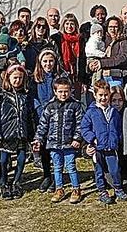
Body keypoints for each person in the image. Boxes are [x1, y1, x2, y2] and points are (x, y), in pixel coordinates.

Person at [0, 64, 37, 200]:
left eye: (20, 78)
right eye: (15, 78)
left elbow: (31, 115)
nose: (17, 81)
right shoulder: (1, 95)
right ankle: (3, 182)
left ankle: (17, 181)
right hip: (6, 133)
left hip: (21, 132)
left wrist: (33, 135)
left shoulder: (26, 95)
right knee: (4, 160)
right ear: (8, 78)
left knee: (21, 159)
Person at [34, 76, 84, 204]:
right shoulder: (50, 107)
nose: (63, 94)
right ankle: (59, 189)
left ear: (71, 91)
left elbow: (80, 124)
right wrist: (38, 139)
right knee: (57, 167)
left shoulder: (76, 106)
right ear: (55, 92)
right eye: (60, 91)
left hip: (69, 144)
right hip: (54, 143)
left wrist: (77, 138)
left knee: (71, 166)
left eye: (66, 91)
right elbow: (43, 125)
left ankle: (76, 189)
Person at [82, 80, 127, 204]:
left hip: (111, 148)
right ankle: (102, 191)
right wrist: (92, 139)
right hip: (98, 148)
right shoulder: (91, 112)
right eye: (101, 95)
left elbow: (118, 128)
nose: (103, 98)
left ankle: (118, 188)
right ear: (95, 95)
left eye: (106, 95)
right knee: (99, 171)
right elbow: (84, 128)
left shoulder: (114, 112)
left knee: (114, 170)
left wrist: (117, 139)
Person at [32, 49, 62, 192]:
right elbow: (33, 97)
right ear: (40, 62)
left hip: (57, 117)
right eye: (45, 61)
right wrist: (40, 109)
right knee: (43, 148)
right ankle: (46, 175)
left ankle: (57, 177)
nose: (48, 64)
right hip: (41, 117)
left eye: (51, 61)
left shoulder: (61, 76)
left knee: (55, 148)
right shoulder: (36, 78)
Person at [89, 16, 127, 89]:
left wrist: (102, 63)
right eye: (110, 27)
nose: (113, 29)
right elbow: (92, 53)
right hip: (100, 76)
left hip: (115, 77)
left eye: (116, 27)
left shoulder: (123, 40)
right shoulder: (101, 39)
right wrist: (90, 65)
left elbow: (123, 57)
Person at [51, 13, 87, 94]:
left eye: (72, 24)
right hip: (62, 74)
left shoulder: (81, 40)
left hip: (76, 76)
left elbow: (83, 60)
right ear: (63, 25)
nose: (69, 27)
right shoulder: (56, 39)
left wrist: (83, 80)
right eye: (67, 24)